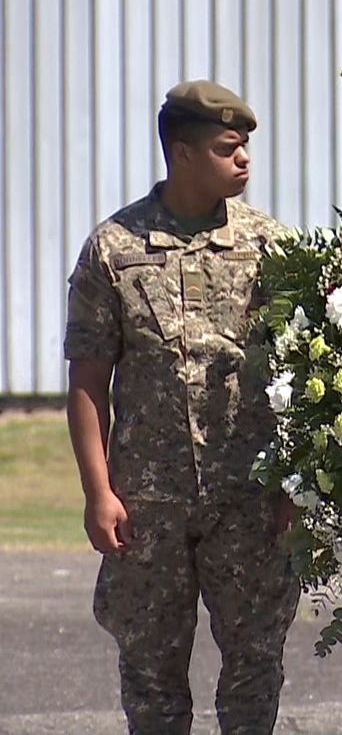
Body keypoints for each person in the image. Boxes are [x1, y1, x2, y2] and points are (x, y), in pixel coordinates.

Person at [65, 80, 299, 734]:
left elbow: (301, 373)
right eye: (228, 148)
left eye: (245, 146)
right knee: (151, 677)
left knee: (255, 669)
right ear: (183, 153)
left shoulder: (271, 248)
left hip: (247, 500)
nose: (244, 159)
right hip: (148, 504)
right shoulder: (115, 249)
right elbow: (88, 379)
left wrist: (292, 483)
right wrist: (97, 493)